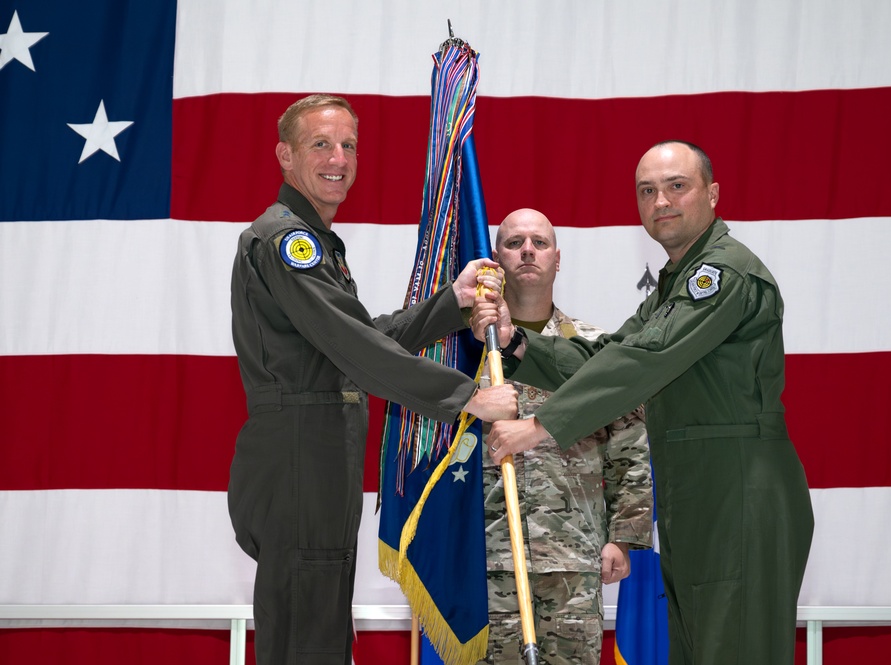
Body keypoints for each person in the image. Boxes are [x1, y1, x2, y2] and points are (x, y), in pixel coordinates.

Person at [474, 141, 814, 665]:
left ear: (713, 193)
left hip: (739, 490)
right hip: (699, 493)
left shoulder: (721, 274)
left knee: (736, 648)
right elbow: (609, 355)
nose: (661, 201)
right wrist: (520, 344)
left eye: (677, 186)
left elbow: (645, 362)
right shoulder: (672, 287)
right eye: (647, 190)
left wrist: (541, 425)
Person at [227, 94, 517, 665]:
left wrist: (451, 303)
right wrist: (467, 398)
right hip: (299, 455)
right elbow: (356, 349)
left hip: (319, 453)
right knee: (305, 634)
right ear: (285, 155)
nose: (339, 158)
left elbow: (355, 339)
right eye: (321, 144)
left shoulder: (314, 240)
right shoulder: (288, 241)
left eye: (349, 145)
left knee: (321, 624)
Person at [477, 209, 653, 665]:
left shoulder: (594, 349)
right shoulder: (464, 352)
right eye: (514, 243)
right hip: (485, 559)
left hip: (573, 557)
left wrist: (624, 536)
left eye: (540, 242)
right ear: (496, 260)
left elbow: (629, 448)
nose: (528, 251)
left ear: (559, 259)